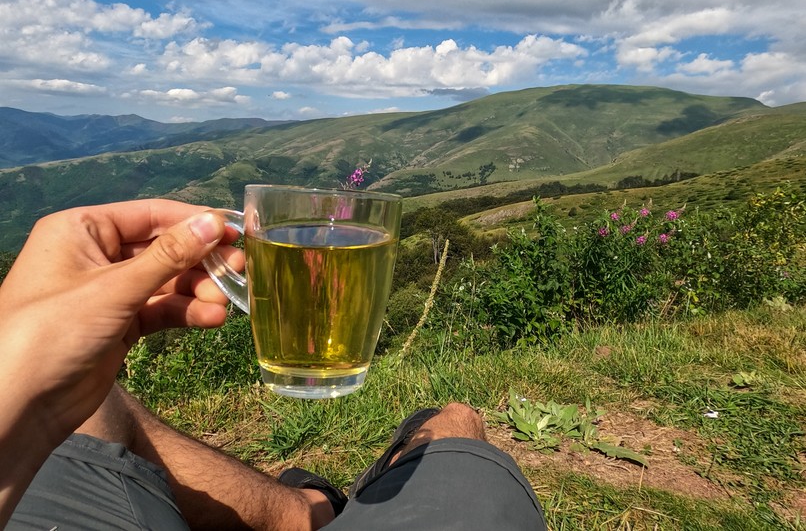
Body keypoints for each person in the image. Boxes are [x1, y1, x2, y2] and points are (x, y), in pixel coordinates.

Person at [0, 199, 546, 530]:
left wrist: (21, 381)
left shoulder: (34, 416)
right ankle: (414, 451)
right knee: (457, 430)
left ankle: (308, 512)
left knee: (98, 402)